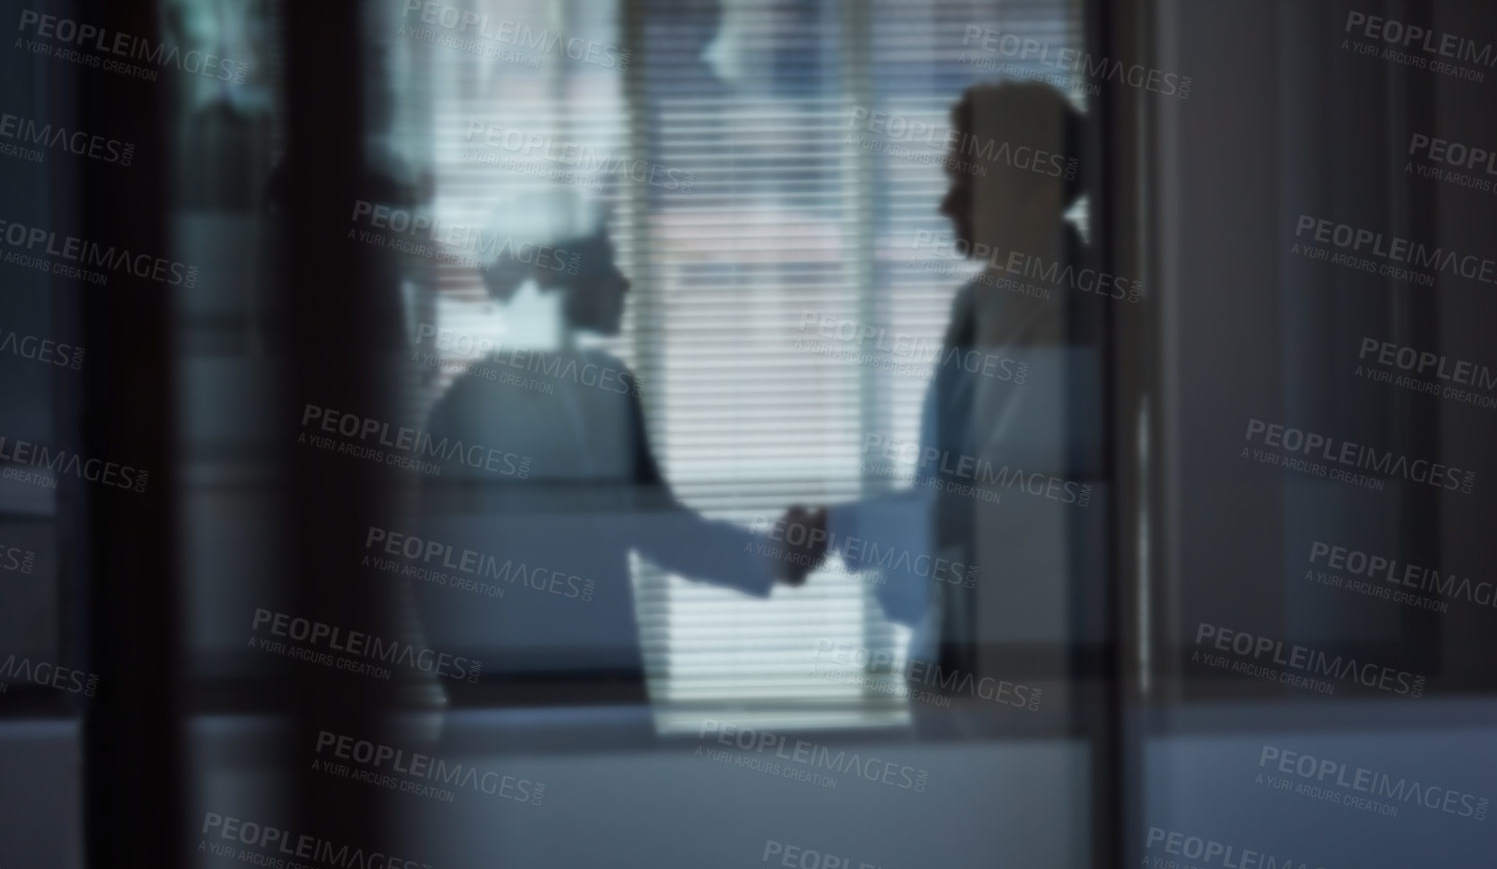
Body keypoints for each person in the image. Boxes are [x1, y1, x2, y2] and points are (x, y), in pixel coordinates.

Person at [780, 80, 1105, 733]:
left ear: (1040, 197)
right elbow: (944, 484)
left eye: (970, 185)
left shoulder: (1077, 320)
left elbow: (1005, 502)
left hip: (1026, 667)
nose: (944, 204)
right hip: (954, 643)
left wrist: (836, 528)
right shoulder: (979, 304)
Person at [410, 213, 810, 714]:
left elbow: (661, 529)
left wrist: (769, 557)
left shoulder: (611, 384)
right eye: (605, 264)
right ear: (550, 276)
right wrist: (483, 704)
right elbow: (433, 576)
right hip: (514, 715)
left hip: (611, 698)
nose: (625, 281)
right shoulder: (471, 405)